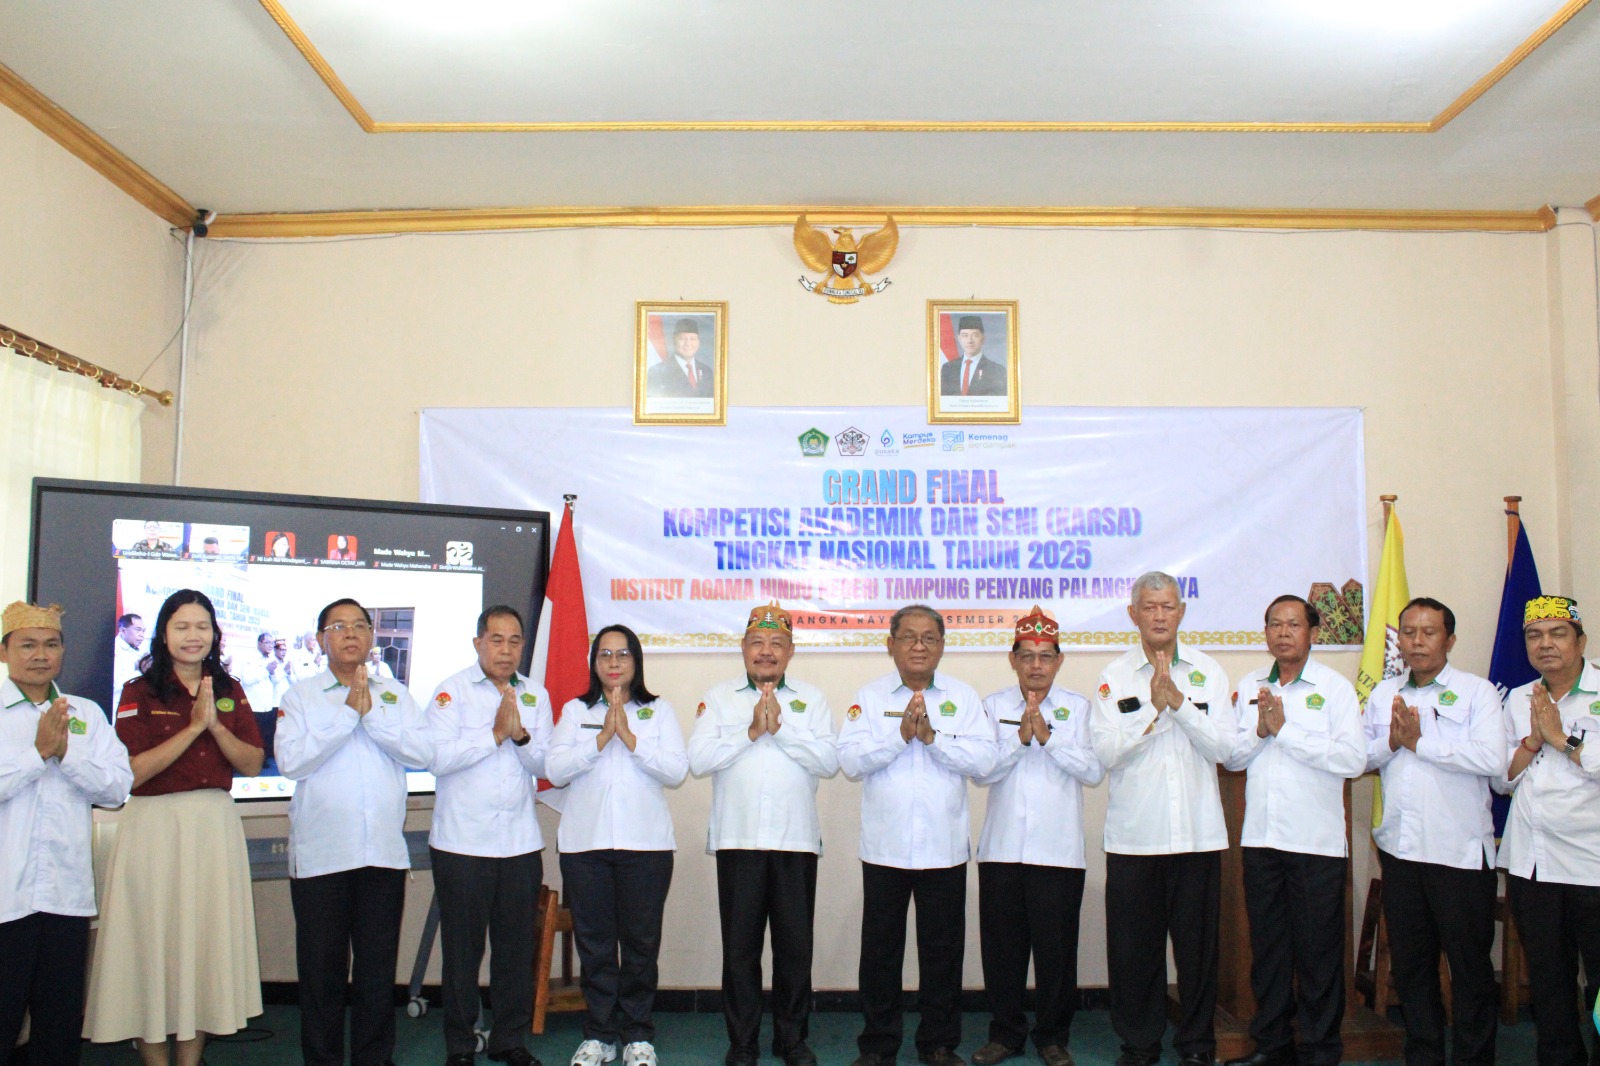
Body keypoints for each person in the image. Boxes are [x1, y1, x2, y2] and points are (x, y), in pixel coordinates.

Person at [84, 589, 266, 1066]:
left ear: (214, 634)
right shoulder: (138, 692)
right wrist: (192, 729)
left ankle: (189, 1059)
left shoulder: (229, 689)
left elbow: (251, 763)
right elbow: (133, 773)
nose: (193, 636)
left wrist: (215, 726)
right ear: (163, 634)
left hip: (212, 828)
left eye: (202, 626)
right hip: (154, 828)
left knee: (204, 942)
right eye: (181, 626)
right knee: (149, 941)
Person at [276, 597, 434, 1066]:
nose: (350, 634)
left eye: (360, 626)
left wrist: (372, 716)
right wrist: (348, 714)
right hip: (321, 856)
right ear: (320, 639)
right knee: (322, 974)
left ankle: (373, 1059)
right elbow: (291, 762)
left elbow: (423, 754)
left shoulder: (394, 694)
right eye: (338, 626)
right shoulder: (300, 696)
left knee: (376, 972)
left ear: (371, 636)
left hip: (381, 855)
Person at [839, 604, 996, 1066]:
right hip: (884, 850)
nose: (919, 646)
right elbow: (849, 761)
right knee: (880, 955)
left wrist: (933, 740)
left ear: (942, 646)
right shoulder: (868, 698)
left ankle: (939, 1043)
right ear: (891, 645)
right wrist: (898, 737)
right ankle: (878, 1045)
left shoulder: (963, 698)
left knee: (942, 954)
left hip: (943, 850)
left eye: (929, 638)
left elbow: (985, 762)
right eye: (908, 637)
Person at [1091, 571, 1235, 1066]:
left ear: (1181, 612)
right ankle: (1139, 1044)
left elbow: (1225, 748)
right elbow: (1106, 753)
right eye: (1149, 607)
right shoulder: (1114, 676)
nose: (1159, 616)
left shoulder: (1208, 672)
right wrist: (1151, 713)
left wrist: (1180, 705)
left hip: (1197, 838)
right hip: (1135, 839)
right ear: (1133, 614)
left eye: (1168, 606)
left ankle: (1196, 1046)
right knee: (1134, 954)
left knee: (1198, 954)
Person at [687, 603, 839, 1066]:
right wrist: (751, 731)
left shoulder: (811, 699)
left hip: (795, 842)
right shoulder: (718, 699)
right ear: (743, 648)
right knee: (740, 951)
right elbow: (698, 760)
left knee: (795, 949)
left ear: (791, 651)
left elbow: (829, 761)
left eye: (776, 644)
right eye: (757, 642)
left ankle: (791, 1039)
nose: (766, 651)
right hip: (738, 841)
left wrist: (782, 730)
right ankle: (743, 1041)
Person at [1222, 596, 1365, 1066]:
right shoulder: (1249, 686)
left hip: (1314, 844)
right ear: (1265, 632)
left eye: (1293, 625)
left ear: (1313, 633)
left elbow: (1353, 760)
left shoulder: (1336, 689)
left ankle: (1321, 1051)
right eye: (1274, 625)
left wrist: (1285, 732)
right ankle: (1272, 1046)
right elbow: (1232, 759)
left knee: (1318, 955)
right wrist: (1260, 732)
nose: (1283, 633)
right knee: (1268, 952)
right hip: (1261, 841)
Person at [1363, 597, 1503, 1066]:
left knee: (1470, 970)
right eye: (1408, 632)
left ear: (1450, 640)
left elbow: (1491, 760)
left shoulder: (1477, 692)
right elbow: (1361, 757)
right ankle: (1423, 1056)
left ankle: (1473, 1059)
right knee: (1412, 968)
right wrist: (1392, 741)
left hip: (1458, 855)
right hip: (1401, 853)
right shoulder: (1384, 694)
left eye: (1429, 632)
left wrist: (1421, 743)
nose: (1417, 641)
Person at [545, 625, 687, 1066]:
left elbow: (676, 771)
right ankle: (601, 1035)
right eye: (604, 654)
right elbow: (555, 769)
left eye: (622, 654)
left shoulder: (658, 711)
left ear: (636, 661)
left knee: (641, 946)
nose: (613, 662)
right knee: (596, 947)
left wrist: (629, 737)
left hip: (646, 848)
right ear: (594, 662)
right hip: (585, 847)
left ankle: (638, 1036)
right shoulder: (575, 711)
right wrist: (601, 738)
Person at [0, 601, 132, 1064]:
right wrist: (36, 754)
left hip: (65, 896)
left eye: (51, 644)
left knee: (58, 1028)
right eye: (28, 645)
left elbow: (117, 789)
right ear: (4, 652)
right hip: (5, 898)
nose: (41, 655)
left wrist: (65, 754)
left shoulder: (86, 714)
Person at [971, 607, 1104, 1066]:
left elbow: (1093, 771)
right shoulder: (992, 707)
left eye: (1046, 656)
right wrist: (1019, 741)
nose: (1036, 665)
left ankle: (1052, 1036)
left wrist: (1049, 738)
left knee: (1056, 953)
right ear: (1012, 659)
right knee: (1002, 951)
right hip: (1002, 849)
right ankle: (1005, 1034)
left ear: (1059, 661)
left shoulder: (1079, 708)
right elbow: (981, 772)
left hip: (1058, 852)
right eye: (1026, 655)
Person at [428, 605, 553, 1066]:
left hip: (519, 843)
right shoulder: (451, 692)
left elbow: (546, 765)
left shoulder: (535, 694)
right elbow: (437, 759)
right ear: (478, 643)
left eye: (514, 641)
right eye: (496, 640)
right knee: (462, 952)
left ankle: (509, 1040)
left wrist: (520, 738)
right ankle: (461, 1044)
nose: (506, 649)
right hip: (462, 844)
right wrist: (495, 735)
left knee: (515, 950)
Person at [1496, 596, 1600, 1066]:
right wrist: (1533, 741)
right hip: (1533, 863)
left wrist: (1560, 738)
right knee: (1548, 980)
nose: (1546, 644)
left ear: (1581, 641)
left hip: (1592, 862)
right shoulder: (1519, 698)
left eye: (1558, 633)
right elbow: (1501, 779)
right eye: (1535, 635)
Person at [645, 318, 715, 398]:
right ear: (673, 340)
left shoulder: (706, 371)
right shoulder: (658, 372)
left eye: (692, 339)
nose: (688, 343)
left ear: (698, 342)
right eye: (682, 339)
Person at [939, 316, 1006, 397]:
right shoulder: (947, 368)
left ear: (983, 339)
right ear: (959, 339)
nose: (970, 341)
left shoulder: (997, 371)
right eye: (965, 335)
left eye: (975, 335)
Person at [113, 612, 146, 693]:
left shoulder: (139, 650)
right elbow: (115, 686)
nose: (142, 635)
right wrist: (140, 671)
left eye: (143, 631)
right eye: (138, 630)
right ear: (123, 630)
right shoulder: (114, 649)